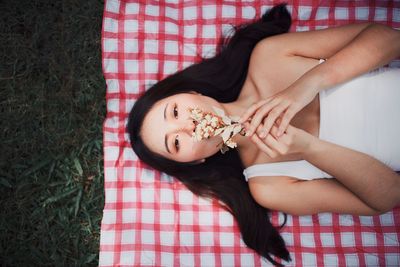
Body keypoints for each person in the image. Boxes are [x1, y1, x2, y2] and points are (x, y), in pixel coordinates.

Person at [126, 3, 400, 266]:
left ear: (193, 93)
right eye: (176, 142)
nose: (187, 126)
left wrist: (311, 82)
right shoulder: (268, 186)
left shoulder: (268, 56)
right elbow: (388, 196)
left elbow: (390, 39)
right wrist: (310, 149)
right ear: (196, 162)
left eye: (175, 112)